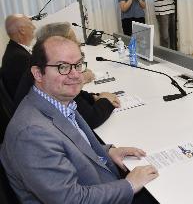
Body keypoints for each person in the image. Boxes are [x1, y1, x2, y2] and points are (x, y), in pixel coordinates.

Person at [1, 36, 159, 203]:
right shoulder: (32, 134)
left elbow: (70, 145)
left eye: (77, 65)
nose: (76, 75)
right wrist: (129, 185)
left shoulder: (59, 101)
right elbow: (71, 200)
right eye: (63, 67)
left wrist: (107, 152)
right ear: (38, 73)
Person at [13, 22, 120, 129]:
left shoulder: (43, 68)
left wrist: (93, 97)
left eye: (78, 65)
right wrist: (105, 101)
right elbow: (90, 119)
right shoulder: (35, 127)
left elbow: (76, 96)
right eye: (63, 66)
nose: (78, 43)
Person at [1, 14, 36, 99]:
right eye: (30, 24)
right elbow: (35, 88)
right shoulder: (19, 58)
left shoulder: (15, 51)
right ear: (22, 30)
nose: (34, 27)